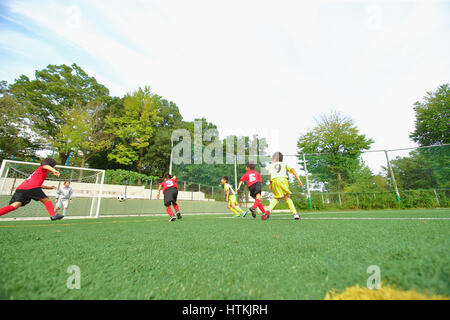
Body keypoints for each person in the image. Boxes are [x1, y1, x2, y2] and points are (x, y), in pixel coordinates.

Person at [0, 158, 64, 220]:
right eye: (54, 166)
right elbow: (45, 166)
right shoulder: (43, 169)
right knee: (46, 200)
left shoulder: (39, 172)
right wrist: (54, 170)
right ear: (51, 165)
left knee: (15, 205)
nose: (55, 167)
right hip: (32, 187)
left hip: (21, 188)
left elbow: (38, 184)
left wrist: (49, 187)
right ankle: (53, 215)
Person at [262, 152, 303, 220]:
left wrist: (270, 184)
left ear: (275, 159)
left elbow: (269, 175)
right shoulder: (284, 164)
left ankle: (268, 210)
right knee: (287, 197)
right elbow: (293, 170)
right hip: (283, 179)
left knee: (276, 198)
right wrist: (299, 180)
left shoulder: (271, 165)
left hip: (274, 180)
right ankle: (295, 214)